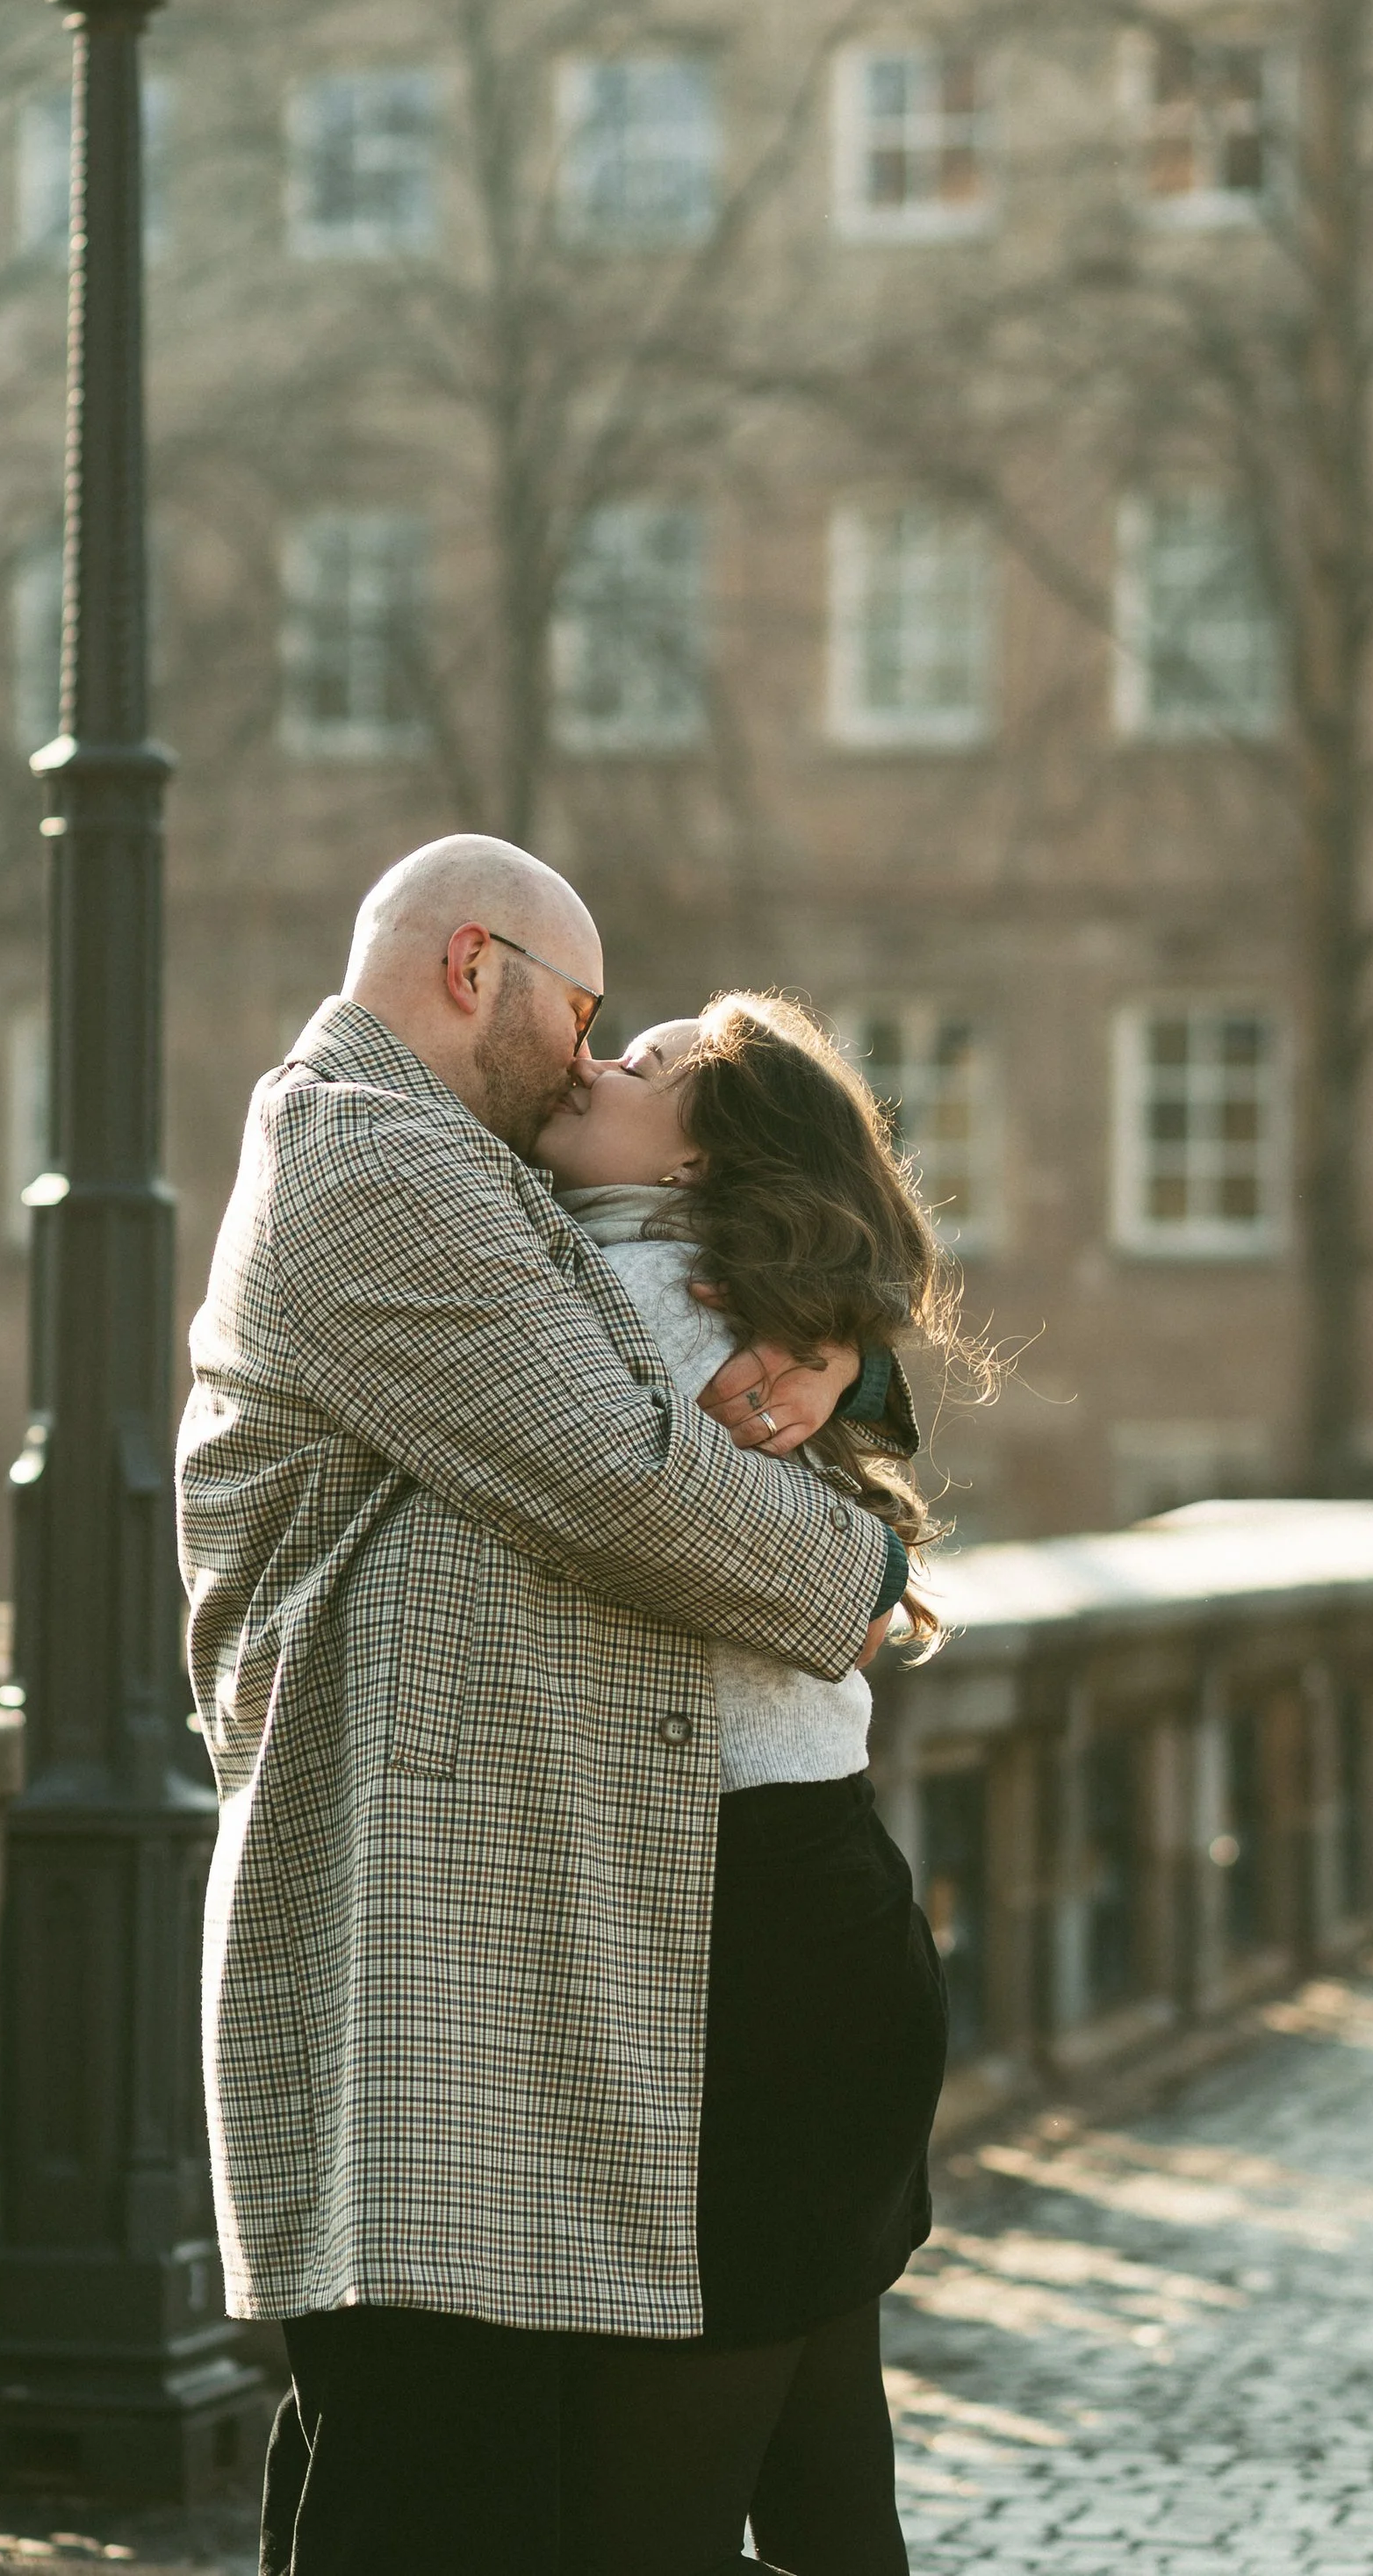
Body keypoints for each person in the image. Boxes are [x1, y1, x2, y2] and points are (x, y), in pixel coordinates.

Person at [178, 836, 916, 2576]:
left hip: (538, 1954)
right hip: (415, 1949)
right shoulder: (363, 1151)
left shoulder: (458, 1161)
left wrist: (850, 1351)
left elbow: (686, 1292)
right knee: (443, 2491)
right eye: (583, 1014)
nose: (590, 1056)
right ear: (471, 969)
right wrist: (860, 1583)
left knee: (543, 2500)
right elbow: (617, 1469)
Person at [536, 989, 961, 2576]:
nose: (588, 1061)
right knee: (832, 2499)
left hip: (742, 1957)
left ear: (704, 1147)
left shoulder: (624, 1296)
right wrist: (846, 1353)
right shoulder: (743, 1305)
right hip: (824, 1923)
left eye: (634, 1062)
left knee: (646, 2523)